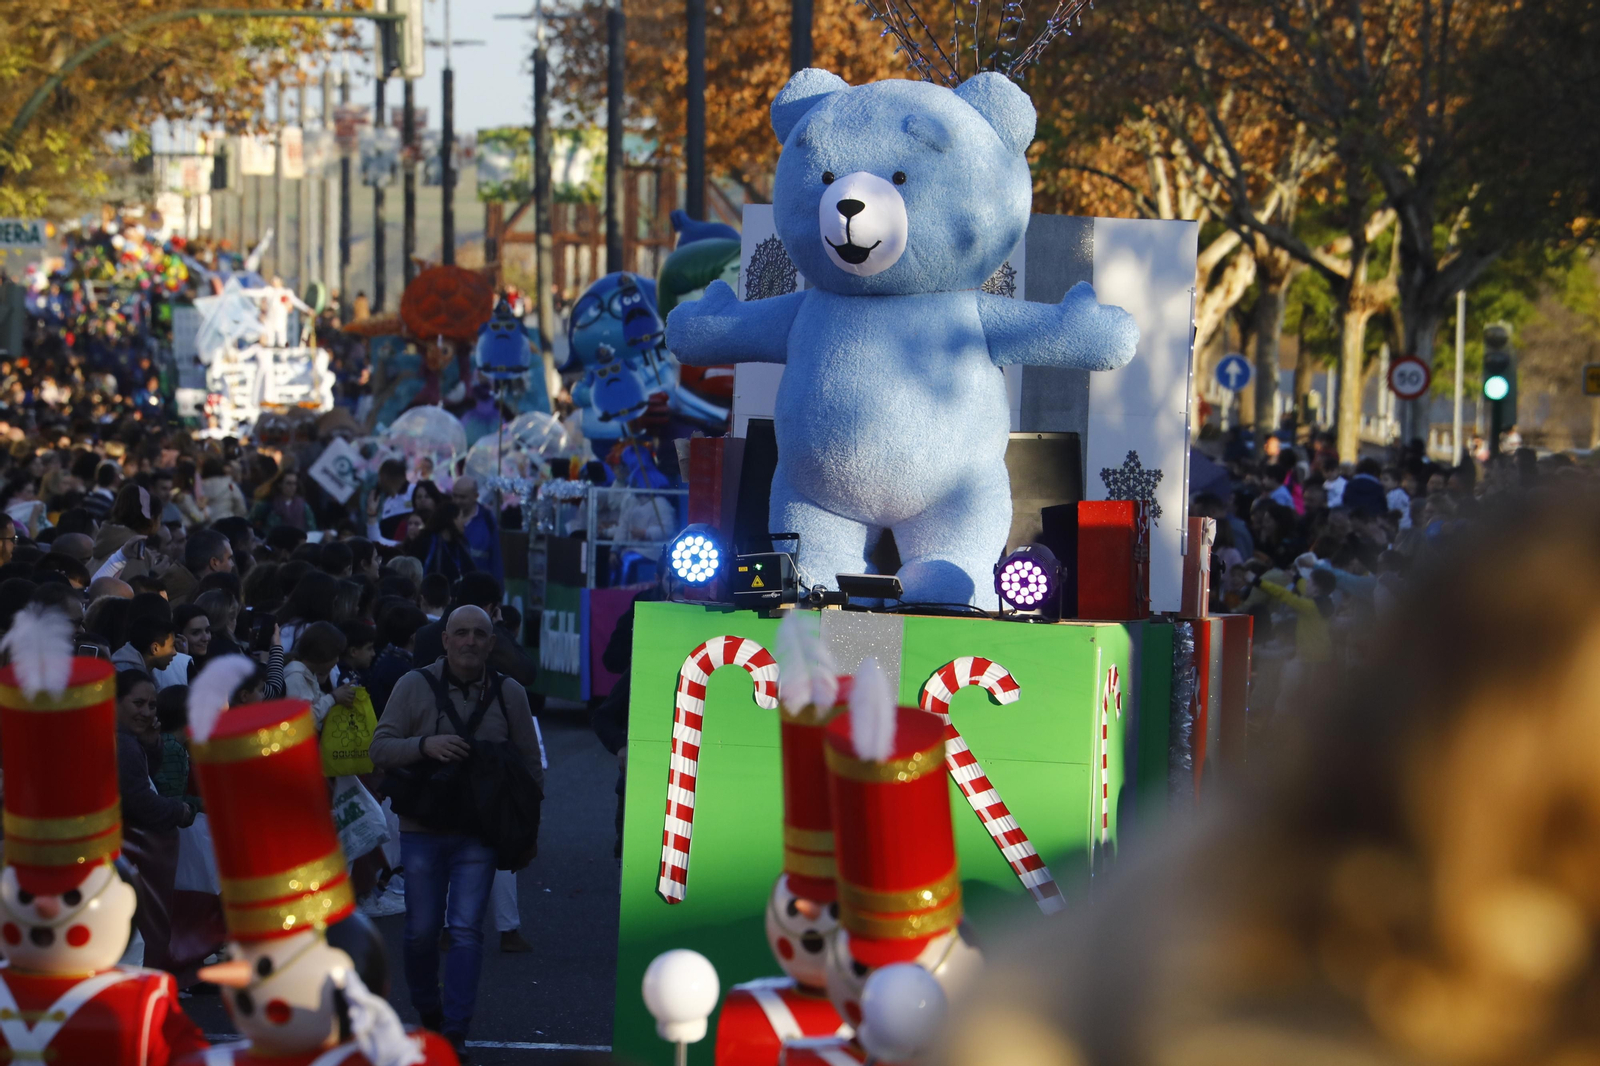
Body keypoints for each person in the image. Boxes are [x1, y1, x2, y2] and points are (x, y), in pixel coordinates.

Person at [368, 605, 545, 1056]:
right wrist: (426, 745)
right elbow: (380, 747)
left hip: (479, 831)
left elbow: (530, 766)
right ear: (445, 639)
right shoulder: (414, 684)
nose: (470, 641)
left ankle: (454, 1030)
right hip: (422, 827)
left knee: (466, 930)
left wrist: (527, 830)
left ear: (491, 642)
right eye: (461, 633)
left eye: (479, 634)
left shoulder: (511, 694)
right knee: (421, 931)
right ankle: (430, 1012)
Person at [115, 669, 196, 976]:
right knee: (136, 942)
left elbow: (143, 778)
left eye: (152, 706)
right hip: (130, 855)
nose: (146, 713)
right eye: (138, 704)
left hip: (134, 858)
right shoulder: (119, 742)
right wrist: (180, 811)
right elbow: (138, 799)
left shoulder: (128, 740)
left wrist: (150, 744)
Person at [284, 620, 358, 732]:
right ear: (323, 655)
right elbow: (303, 719)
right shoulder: (296, 677)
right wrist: (333, 698)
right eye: (335, 656)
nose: (337, 660)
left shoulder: (307, 673)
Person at [450, 476, 503, 582]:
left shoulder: (487, 519)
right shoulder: (446, 516)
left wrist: (498, 590)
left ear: (476, 496)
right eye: (455, 496)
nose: (457, 501)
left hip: (479, 587)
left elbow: (496, 558)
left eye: (462, 497)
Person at [111, 615, 179, 680]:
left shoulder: (146, 672)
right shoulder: (123, 678)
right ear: (155, 648)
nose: (175, 652)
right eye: (172, 646)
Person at [250, 467, 316, 534]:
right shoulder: (267, 504)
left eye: (294, 483)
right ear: (280, 484)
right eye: (288, 483)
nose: (292, 487)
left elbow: (312, 530)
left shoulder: (304, 507)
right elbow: (250, 521)